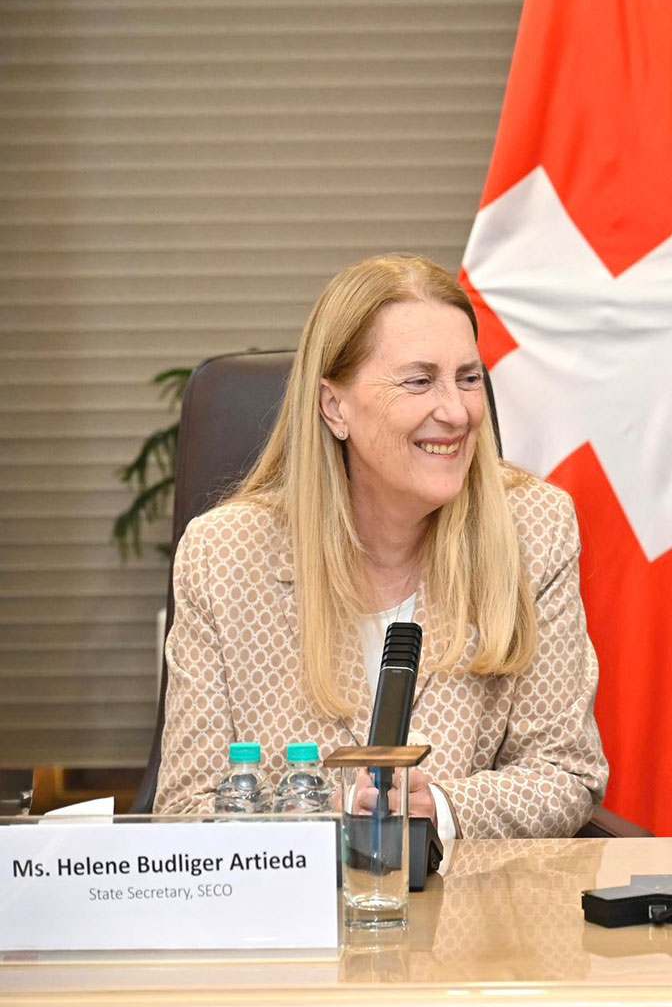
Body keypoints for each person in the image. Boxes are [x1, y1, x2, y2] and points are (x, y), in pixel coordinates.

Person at [155, 254, 608, 838]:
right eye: (419, 381)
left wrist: (437, 810)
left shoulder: (534, 529)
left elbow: (565, 772)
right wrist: (332, 822)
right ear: (334, 406)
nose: (456, 411)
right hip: (295, 922)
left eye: (468, 378)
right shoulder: (223, 556)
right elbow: (185, 805)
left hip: (468, 916)